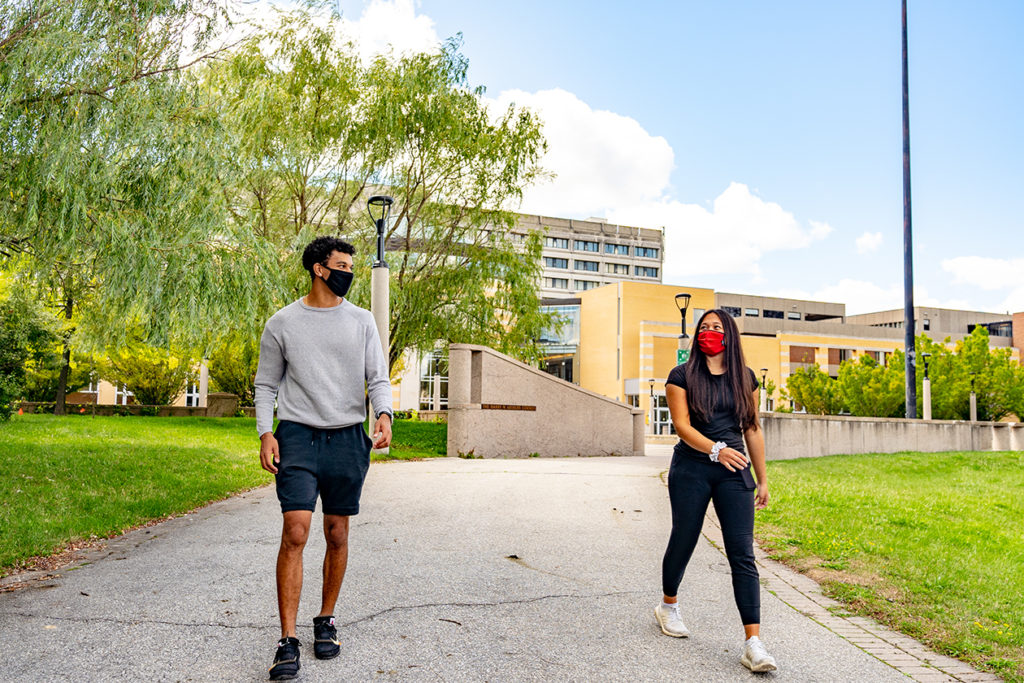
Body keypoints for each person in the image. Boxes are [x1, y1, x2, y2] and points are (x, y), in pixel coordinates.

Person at [254, 236, 393, 680]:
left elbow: (377, 377)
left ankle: (326, 620)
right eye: (341, 265)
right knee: (296, 531)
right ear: (318, 268)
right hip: (296, 437)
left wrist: (385, 414)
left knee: (337, 531)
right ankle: (287, 641)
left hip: (348, 438)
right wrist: (265, 433)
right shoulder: (283, 323)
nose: (348, 273)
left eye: (350, 266)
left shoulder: (362, 321)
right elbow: (265, 385)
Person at [653, 309, 778, 673]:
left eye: (717, 327)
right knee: (685, 537)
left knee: (742, 552)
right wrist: (715, 450)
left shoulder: (746, 379)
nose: (709, 332)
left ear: (730, 336)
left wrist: (762, 477)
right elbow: (681, 426)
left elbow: (752, 428)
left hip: (734, 469)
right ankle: (668, 606)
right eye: (704, 327)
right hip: (692, 467)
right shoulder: (682, 375)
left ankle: (753, 643)